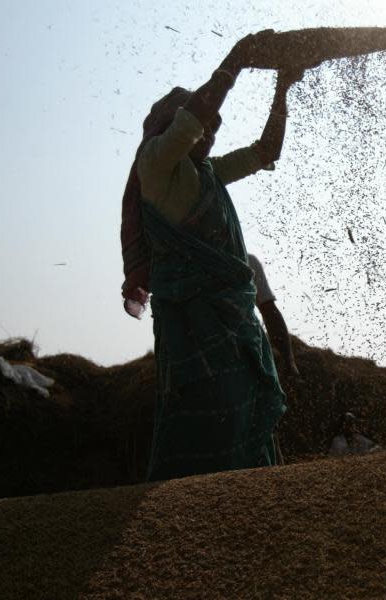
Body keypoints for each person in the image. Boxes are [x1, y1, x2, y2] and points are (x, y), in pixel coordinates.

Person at [119, 31, 304, 481]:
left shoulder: (209, 173)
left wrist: (283, 89)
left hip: (234, 317)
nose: (210, 134)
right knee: (210, 407)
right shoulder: (156, 166)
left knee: (246, 403)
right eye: (204, 127)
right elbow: (195, 116)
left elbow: (266, 152)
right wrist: (235, 61)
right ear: (175, 127)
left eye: (215, 130)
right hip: (192, 320)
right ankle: (197, 502)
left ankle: (251, 494)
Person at [247, 253, 300, 377]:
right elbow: (269, 310)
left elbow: (270, 312)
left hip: (244, 353)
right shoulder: (193, 257)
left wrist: (289, 362)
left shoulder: (248, 261)